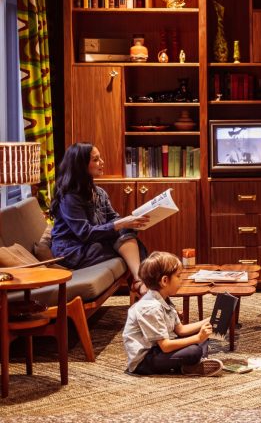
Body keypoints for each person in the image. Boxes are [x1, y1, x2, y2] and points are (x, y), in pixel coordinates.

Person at [49, 142, 149, 295]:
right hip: (73, 250)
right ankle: (142, 284)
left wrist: (132, 222)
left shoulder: (99, 192)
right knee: (129, 246)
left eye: (100, 158)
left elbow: (113, 218)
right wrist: (120, 224)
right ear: (81, 166)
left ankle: (140, 282)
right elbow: (85, 233)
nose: (102, 162)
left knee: (128, 236)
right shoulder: (70, 197)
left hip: (92, 243)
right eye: (95, 160)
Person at [122, 251, 223, 376]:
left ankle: (194, 365)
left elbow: (180, 330)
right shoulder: (150, 308)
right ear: (165, 281)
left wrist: (210, 320)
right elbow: (165, 346)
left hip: (160, 348)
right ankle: (194, 363)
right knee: (194, 351)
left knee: (204, 333)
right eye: (178, 276)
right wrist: (197, 338)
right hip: (146, 360)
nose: (181, 280)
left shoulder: (164, 299)